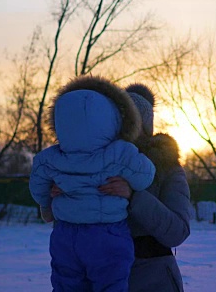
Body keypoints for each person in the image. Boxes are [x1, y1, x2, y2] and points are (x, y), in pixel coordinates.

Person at [29, 75, 156, 292]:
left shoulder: (50, 157)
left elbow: (37, 186)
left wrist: (46, 204)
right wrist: (129, 185)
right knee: (111, 284)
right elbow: (145, 175)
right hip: (108, 235)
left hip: (65, 236)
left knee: (66, 284)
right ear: (114, 119)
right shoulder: (120, 152)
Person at [99, 83, 191, 292]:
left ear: (144, 125)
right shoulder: (98, 163)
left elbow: (178, 231)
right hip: (102, 277)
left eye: (131, 120)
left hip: (154, 280)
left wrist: (134, 197)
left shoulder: (167, 167)